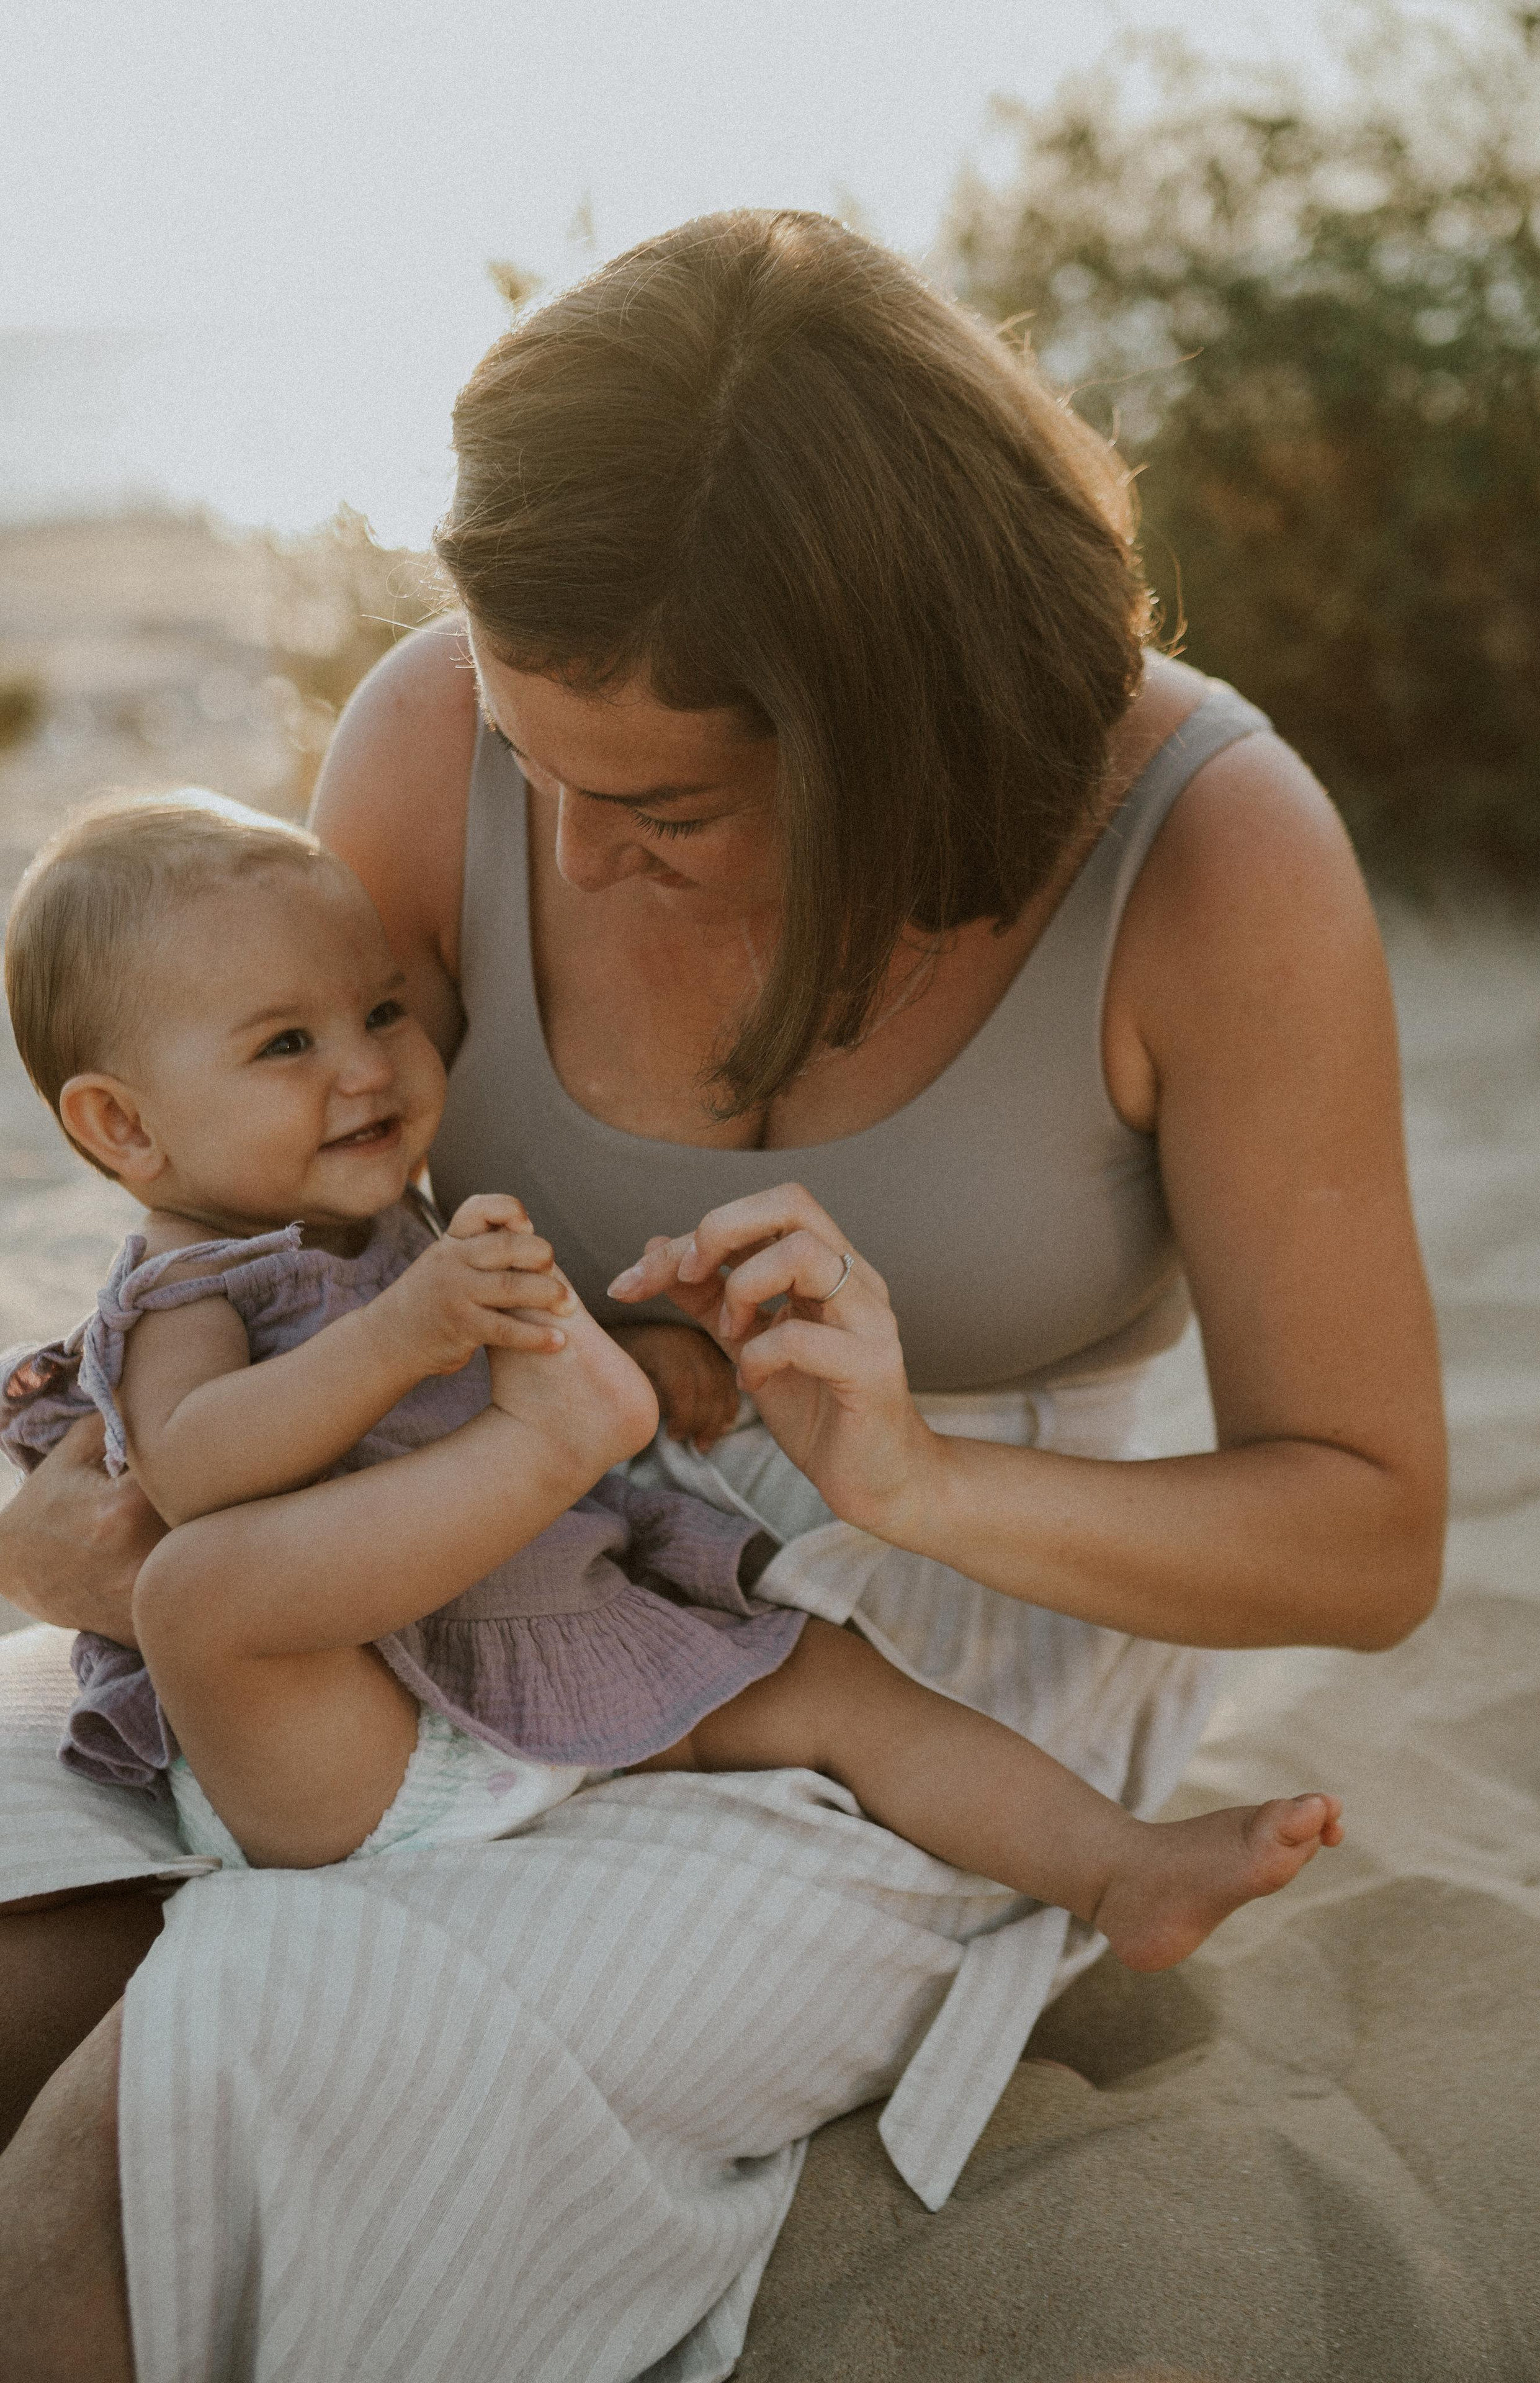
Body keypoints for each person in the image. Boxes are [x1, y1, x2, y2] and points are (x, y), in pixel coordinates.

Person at [0, 210, 1444, 2383]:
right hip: (416, 1550)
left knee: (172, 2121)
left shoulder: (1213, 858)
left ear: (899, 735)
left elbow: (1369, 1533)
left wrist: (912, 1475)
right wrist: (57, 1523)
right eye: (531, 759)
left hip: (924, 1650)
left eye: (660, 804)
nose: (566, 856)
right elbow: (257, 1236)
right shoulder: (436, 737)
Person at [4, 797, 1341, 1934]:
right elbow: (190, 1466)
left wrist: (645, 1353)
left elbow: (445, 1385)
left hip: (545, 1636)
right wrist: (407, 1334)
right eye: (286, 1045)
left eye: (384, 1010)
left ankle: (1116, 1870)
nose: (365, 1069)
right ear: (124, 1128)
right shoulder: (189, 1286)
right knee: (197, 1590)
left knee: (832, 1682)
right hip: (352, 1743)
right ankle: (552, 1441)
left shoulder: (381, 1225)